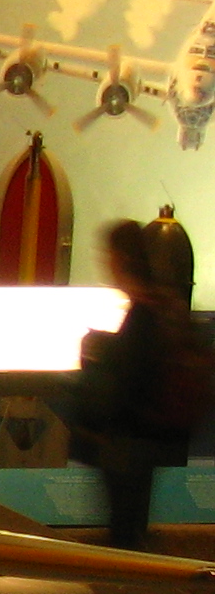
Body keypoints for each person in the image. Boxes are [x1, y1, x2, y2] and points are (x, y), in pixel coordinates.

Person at [75, 221, 211, 549]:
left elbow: (130, 373)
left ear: (121, 257)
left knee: (124, 528)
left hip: (129, 439)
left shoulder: (142, 313)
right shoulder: (166, 304)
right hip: (158, 434)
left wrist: (99, 359)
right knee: (134, 520)